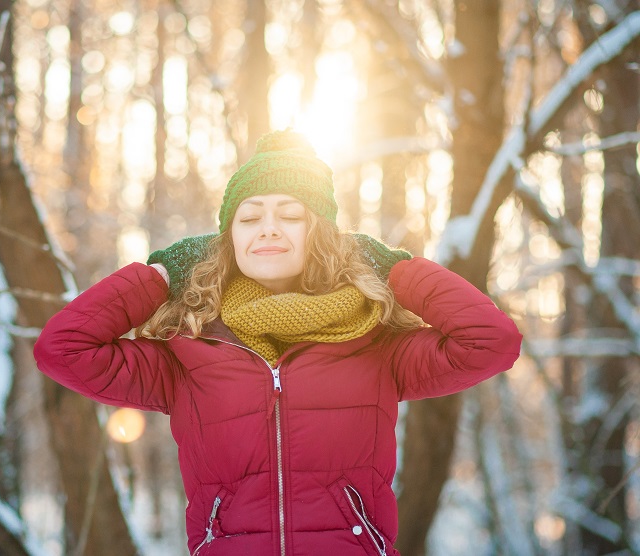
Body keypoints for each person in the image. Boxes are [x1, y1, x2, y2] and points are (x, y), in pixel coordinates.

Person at [33, 130, 522, 556]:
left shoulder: (377, 346)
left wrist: (391, 268)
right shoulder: (187, 353)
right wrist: (164, 272)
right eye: (248, 219)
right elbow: (63, 348)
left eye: (290, 214)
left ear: (321, 233)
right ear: (228, 240)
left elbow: (490, 341)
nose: (267, 228)